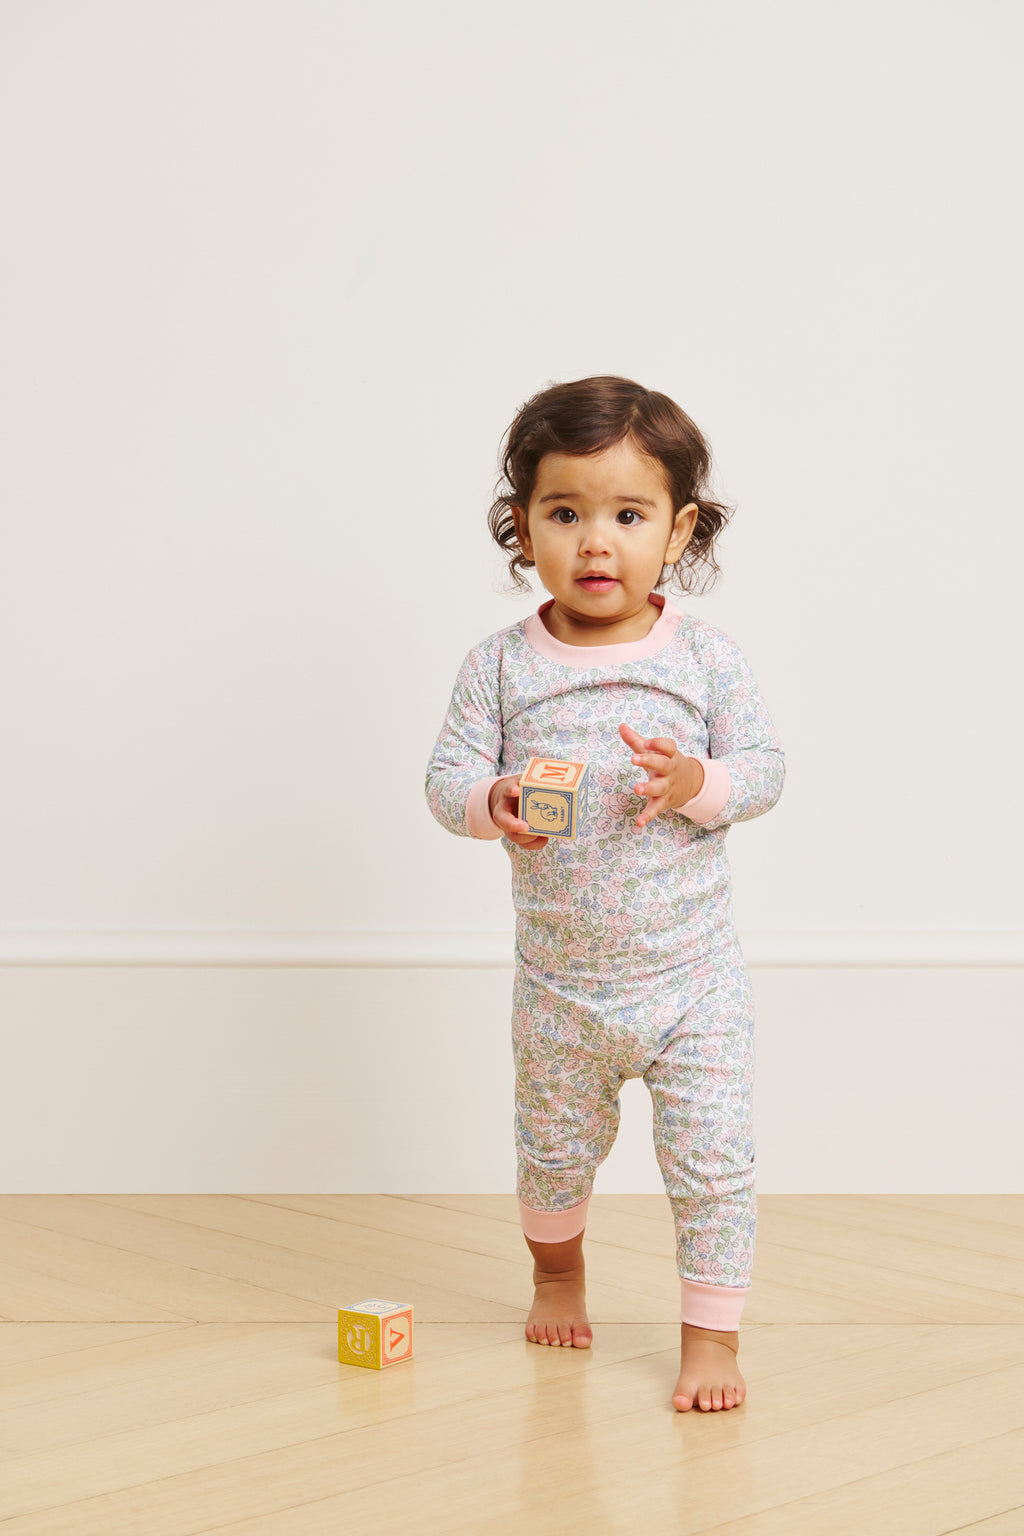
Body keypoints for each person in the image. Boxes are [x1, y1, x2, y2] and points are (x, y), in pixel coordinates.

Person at [424, 375, 785, 1412]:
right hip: (561, 990)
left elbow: (763, 769)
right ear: (521, 527)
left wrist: (696, 783)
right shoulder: (498, 667)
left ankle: (710, 1339)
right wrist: (493, 798)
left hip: (692, 985)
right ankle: (556, 1272)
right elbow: (444, 783)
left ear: (678, 533)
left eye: (627, 516)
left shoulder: (704, 660)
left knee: (712, 1164)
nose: (595, 542)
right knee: (551, 1154)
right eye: (564, 513)